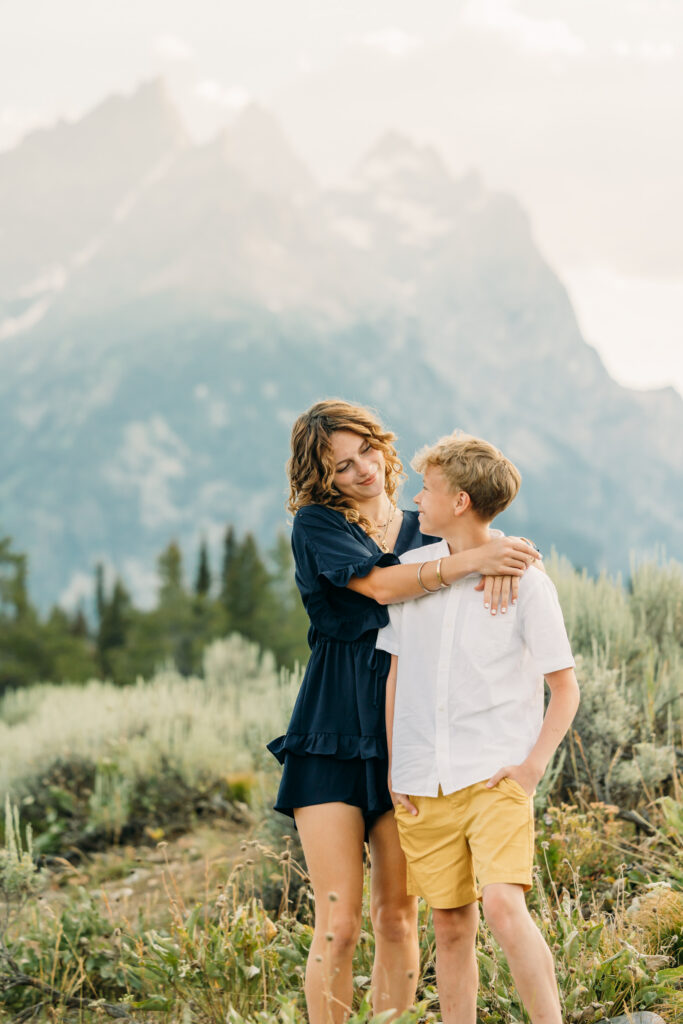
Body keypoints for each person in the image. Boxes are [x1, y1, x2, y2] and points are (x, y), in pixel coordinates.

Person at [267, 401, 542, 1024]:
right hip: (332, 724)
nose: (363, 470)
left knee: (397, 915)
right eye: (342, 467)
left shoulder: (432, 522)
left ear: (379, 444)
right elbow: (384, 587)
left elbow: (486, 549)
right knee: (337, 922)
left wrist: (510, 553)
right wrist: (478, 559)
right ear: (321, 479)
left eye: (366, 451)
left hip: (411, 728)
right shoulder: (317, 525)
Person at [378, 430, 579, 1024]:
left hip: (496, 776)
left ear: (460, 501)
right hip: (422, 781)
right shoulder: (410, 575)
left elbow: (564, 687)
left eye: (428, 489)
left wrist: (530, 768)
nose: (417, 501)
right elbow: (395, 678)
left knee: (501, 906)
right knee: (449, 923)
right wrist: (397, 769)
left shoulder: (526, 582)